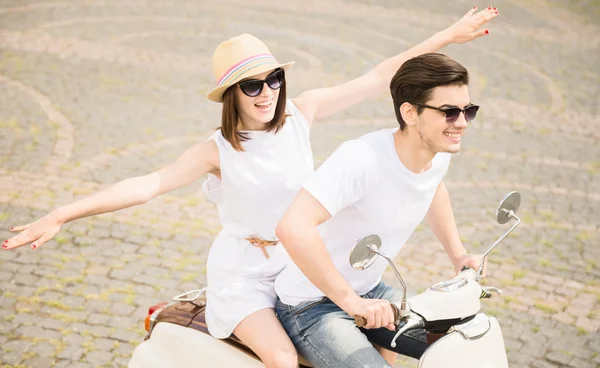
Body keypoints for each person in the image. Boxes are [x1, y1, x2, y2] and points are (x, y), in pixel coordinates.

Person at [3, 6, 497, 367]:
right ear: (230, 95)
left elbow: (383, 74)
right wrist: (61, 214)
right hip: (247, 275)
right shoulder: (218, 150)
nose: (268, 93)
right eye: (252, 85)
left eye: (274, 79)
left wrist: (448, 35)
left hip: (302, 261)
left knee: (396, 348)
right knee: (282, 361)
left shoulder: (303, 112)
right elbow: (146, 185)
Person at [274, 52, 487, 367]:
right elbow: (292, 227)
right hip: (311, 304)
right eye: (449, 112)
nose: (461, 122)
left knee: (465, 349)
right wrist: (350, 301)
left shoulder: (437, 152)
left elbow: (433, 186)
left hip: (370, 290)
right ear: (410, 112)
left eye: (468, 110)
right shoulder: (361, 159)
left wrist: (458, 255)